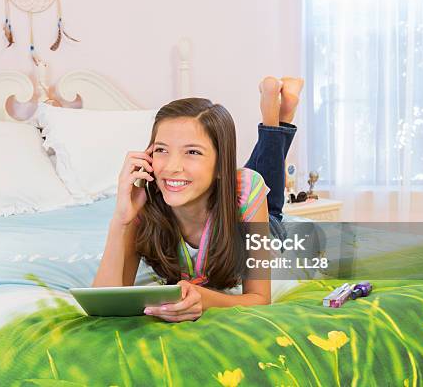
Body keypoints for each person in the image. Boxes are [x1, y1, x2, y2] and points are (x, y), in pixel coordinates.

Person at [92, 76, 304, 322]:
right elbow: (103, 303)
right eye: (161, 150)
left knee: (265, 185)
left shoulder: (246, 189)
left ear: (220, 164)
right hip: (224, 186)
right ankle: (284, 114)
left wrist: (204, 299)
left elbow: (259, 299)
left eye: (192, 152)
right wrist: (120, 221)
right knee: (251, 175)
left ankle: (279, 117)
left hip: (261, 220)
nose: (171, 167)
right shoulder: (142, 206)